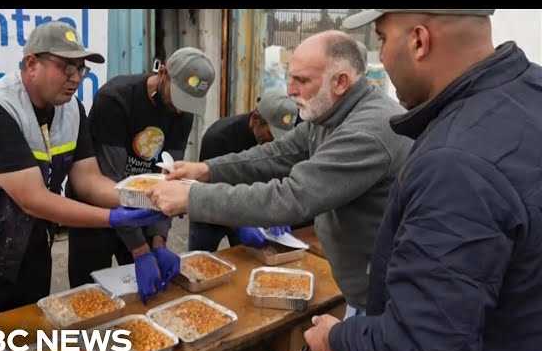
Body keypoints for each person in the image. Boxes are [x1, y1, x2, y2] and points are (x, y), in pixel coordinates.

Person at [303, 9, 542, 351]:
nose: (380, 56)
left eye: (382, 38)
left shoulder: (455, 163)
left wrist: (336, 340)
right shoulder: (530, 93)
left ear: (418, 41)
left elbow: (420, 350)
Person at [147, 30, 413, 315]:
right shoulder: (330, 112)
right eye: (290, 77)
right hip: (361, 287)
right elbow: (278, 153)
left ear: (341, 82)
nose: (290, 90)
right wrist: (206, 170)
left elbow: (292, 196)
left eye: (302, 80)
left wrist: (192, 198)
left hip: (385, 296)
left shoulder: (368, 131)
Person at [0, 21, 166, 316]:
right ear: (31, 63)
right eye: (66, 67)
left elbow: (88, 179)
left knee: (28, 339)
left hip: (28, 249)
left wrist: (139, 196)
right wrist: (113, 218)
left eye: (80, 69)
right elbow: (33, 199)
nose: (75, 78)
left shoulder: (72, 110)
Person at [65, 47, 216, 302]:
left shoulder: (183, 113)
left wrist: (158, 240)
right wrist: (140, 251)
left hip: (144, 207)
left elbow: (168, 176)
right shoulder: (116, 99)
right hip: (99, 209)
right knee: (88, 298)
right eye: (179, 97)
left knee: (142, 297)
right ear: (163, 72)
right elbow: (112, 183)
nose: (180, 110)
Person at [189, 89, 299, 252]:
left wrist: (280, 212)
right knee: (200, 263)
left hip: (247, 212)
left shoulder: (285, 145)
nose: (276, 142)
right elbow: (204, 188)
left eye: (282, 137)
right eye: (271, 134)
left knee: (244, 260)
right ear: (256, 119)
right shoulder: (219, 137)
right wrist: (238, 224)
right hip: (209, 214)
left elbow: (281, 179)